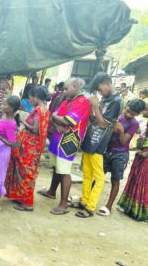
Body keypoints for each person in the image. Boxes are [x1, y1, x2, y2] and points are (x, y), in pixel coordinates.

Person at [37, 78, 91, 215]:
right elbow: (52, 115)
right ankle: (51, 191)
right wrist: (57, 121)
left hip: (68, 141)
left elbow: (68, 120)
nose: (64, 91)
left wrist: (58, 118)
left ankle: (63, 204)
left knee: (64, 171)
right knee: (57, 167)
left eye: (66, 89)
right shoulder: (67, 101)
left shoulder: (82, 102)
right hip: (58, 138)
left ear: (75, 86)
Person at [76, 72, 123, 218]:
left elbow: (103, 123)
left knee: (98, 175)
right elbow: (94, 118)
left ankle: (90, 207)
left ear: (108, 84)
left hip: (100, 142)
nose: (100, 92)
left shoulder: (116, 101)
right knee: (87, 173)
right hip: (90, 139)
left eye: (101, 89)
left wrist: (95, 106)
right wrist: (92, 106)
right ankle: (84, 200)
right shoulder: (106, 99)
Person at [97, 99, 146, 216]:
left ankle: (108, 206)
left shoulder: (134, 124)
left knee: (115, 180)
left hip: (120, 154)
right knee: (97, 176)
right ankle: (88, 198)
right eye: (128, 111)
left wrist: (121, 130)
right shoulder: (119, 116)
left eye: (132, 114)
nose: (128, 115)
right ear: (126, 106)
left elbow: (123, 141)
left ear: (137, 114)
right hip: (107, 151)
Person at [4, 86, 50, 211]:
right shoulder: (45, 110)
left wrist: (24, 122)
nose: (29, 100)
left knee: (26, 173)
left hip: (30, 147)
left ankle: (27, 203)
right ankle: (21, 197)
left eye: (30, 98)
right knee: (25, 172)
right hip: (33, 146)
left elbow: (34, 129)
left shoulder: (38, 110)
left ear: (35, 97)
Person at [117, 115, 148, 221]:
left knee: (145, 182)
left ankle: (140, 213)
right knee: (136, 178)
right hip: (144, 150)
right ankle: (130, 208)